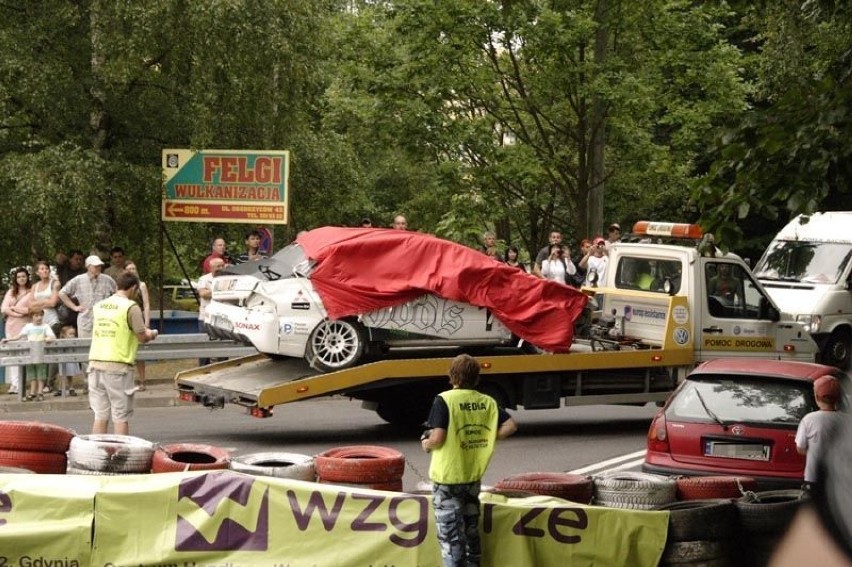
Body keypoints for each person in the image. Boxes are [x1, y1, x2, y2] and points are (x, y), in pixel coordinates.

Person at [421, 354, 517, 567]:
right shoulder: (487, 402)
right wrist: (486, 437)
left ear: (452, 376)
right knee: (471, 532)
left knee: (451, 537)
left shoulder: (445, 399)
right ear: (477, 378)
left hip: (447, 478)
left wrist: (426, 443)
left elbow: (437, 438)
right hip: (472, 478)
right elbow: (511, 425)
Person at [88, 272, 158, 435]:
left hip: (95, 364)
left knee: (100, 414)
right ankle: (120, 454)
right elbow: (142, 336)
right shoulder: (131, 307)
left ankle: (97, 454)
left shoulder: (100, 306)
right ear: (133, 288)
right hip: (118, 366)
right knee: (120, 416)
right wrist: (152, 333)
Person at [796, 375, 844, 487]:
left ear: (816, 397)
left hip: (814, 477)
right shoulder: (847, 420)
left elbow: (800, 448)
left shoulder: (808, 419)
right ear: (838, 398)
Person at [2, 307, 56, 401]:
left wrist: (48, 339)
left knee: (41, 374)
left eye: (41, 315)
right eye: (36, 316)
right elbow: (19, 336)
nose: (39, 318)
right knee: (32, 375)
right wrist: (9, 339)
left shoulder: (45, 326)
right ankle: (32, 392)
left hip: (41, 354)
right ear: (32, 317)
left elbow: (52, 336)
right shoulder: (28, 327)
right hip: (31, 354)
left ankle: (40, 392)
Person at [58, 255, 117, 338]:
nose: (98, 268)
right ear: (88, 267)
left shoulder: (108, 279)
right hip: (85, 320)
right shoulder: (78, 280)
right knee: (85, 346)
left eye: (99, 266)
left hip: (104, 320)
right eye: (95, 266)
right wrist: (74, 307)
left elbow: (118, 293)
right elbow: (62, 293)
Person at [2, 267, 33, 395]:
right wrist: (17, 313)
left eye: (24, 276)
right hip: (11, 326)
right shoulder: (11, 292)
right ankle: (15, 384)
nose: (21, 279)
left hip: (25, 326)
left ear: (27, 278)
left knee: (23, 355)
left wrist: (16, 309)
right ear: (15, 279)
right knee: (13, 356)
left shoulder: (31, 292)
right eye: (19, 277)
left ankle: (22, 383)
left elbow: (31, 309)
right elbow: (4, 308)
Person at [124, 261, 150, 390]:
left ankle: (142, 380)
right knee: (127, 351)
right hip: (125, 319)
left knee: (140, 353)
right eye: (129, 269)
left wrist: (146, 323)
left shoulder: (142, 285)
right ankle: (128, 381)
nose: (132, 271)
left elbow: (146, 305)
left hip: (138, 317)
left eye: (134, 268)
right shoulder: (122, 286)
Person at [197, 257, 227, 366]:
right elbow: (203, 294)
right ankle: (203, 369)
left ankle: (223, 367)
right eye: (217, 266)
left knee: (223, 346)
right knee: (204, 346)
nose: (220, 268)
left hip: (223, 317)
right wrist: (221, 292)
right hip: (205, 317)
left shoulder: (228, 279)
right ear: (211, 268)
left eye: (222, 265)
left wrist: (211, 292)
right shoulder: (204, 279)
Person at [54, 325, 82, 397]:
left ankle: (71, 388)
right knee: (61, 375)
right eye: (70, 334)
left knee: (70, 375)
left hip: (71, 360)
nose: (72, 336)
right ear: (64, 335)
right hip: (63, 360)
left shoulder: (74, 342)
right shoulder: (61, 342)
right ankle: (60, 388)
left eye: (73, 334)